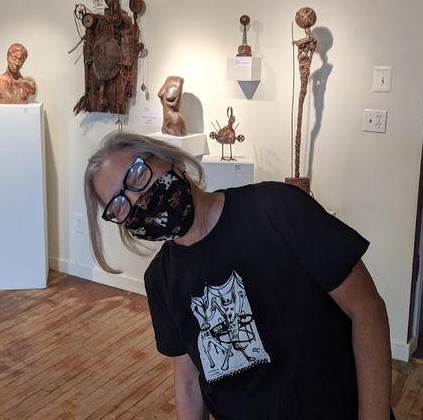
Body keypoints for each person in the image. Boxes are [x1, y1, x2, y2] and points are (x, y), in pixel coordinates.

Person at [84, 131, 394, 419]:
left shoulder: (277, 208)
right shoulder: (160, 279)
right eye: (119, 206)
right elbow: (188, 380)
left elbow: (367, 309)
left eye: (137, 175)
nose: (137, 200)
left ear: (170, 159)